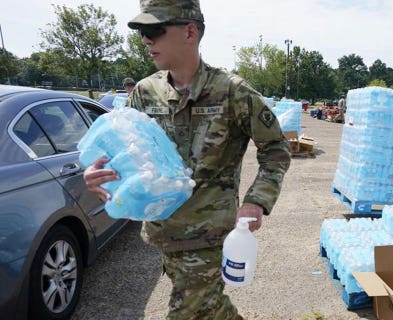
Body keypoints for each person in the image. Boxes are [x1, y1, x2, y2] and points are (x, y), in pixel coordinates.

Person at [82, 1, 291, 319]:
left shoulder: (233, 92)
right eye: (142, 33)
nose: (145, 41)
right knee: (209, 308)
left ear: (190, 32)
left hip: (207, 233)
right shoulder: (144, 92)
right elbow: (125, 150)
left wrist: (256, 201)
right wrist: (102, 174)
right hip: (163, 229)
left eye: (154, 31)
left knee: (186, 312)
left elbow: (276, 148)